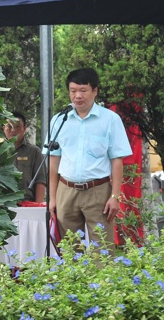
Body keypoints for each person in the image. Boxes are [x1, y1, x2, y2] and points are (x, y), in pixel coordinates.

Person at [47, 67, 132, 245]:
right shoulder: (59, 120)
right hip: (66, 190)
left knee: (102, 249)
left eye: (83, 90)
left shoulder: (110, 120)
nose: (77, 95)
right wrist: (52, 198)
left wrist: (115, 197)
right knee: (69, 249)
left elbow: (117, 161)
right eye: (73, 91)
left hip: (98, 191)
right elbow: (53, 161)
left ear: (95, 91)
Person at [3, 111, 46, 203]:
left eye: (18, 126)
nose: (13, 130)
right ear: (4, 128)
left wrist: (37, 206)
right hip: (1, 204)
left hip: (27, 202)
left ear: (25, 128)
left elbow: (40, 181)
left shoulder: (34, 152)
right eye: (10, 126)